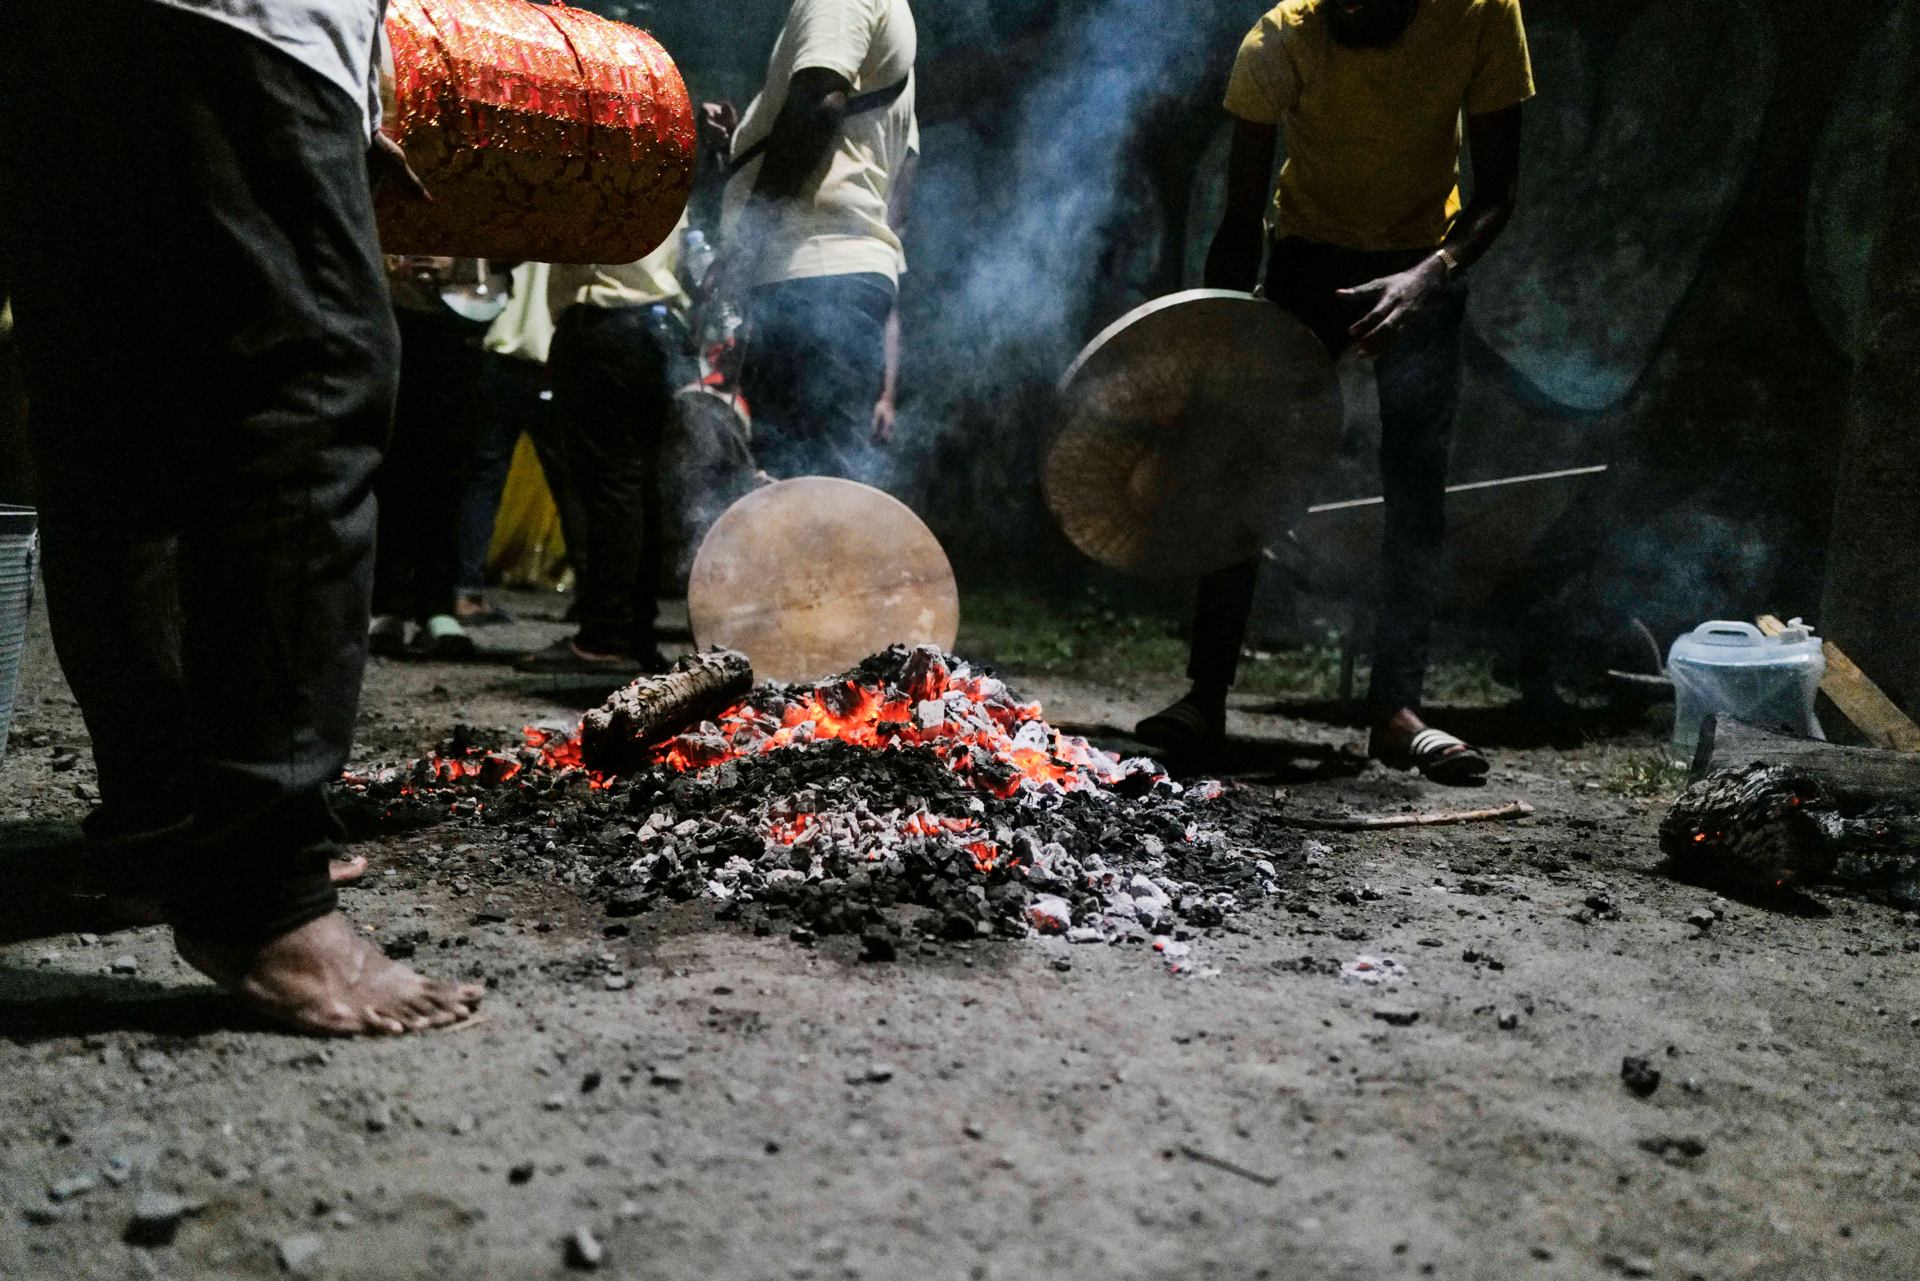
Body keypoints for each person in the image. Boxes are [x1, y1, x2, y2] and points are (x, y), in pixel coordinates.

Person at [0, 0, 482, 1034]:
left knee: (114, 421)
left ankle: (159, 831)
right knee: (309, 382)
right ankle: (259, 893)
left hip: (51, 44)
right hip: (246, 21)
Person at [1135, 0, 1533, 785]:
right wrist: (1224, 340)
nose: (1352, 10)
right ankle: (1204, 695)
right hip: (1306, 257)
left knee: (1416, 486)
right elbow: (1241, 216)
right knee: (1244, 463)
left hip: (1424, 263)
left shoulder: (1483, 13)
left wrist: (1433, 275)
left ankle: (1396, 711)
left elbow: (1498, 192)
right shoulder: (1280, 37)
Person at [716, 0, 920, 482]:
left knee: (806, 500)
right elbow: (902, 185)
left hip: (810, 276)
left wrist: (745, 246)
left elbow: (818, 102)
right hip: (832, 275)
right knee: (810, 489)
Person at [515, 224, 694, 677]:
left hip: (603, 321)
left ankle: (605, 637)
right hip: (659, 326)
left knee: (606, 489)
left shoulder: (601, 156)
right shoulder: (673, 155)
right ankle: (636, 632)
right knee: (642, 489)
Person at [371, 256, 487, 658]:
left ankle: (436, 604)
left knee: (448, 469)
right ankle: (385, 604)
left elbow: (517, 235)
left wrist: (463, 261)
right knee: (390, 463)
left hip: (459, 316)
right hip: (391, 309)